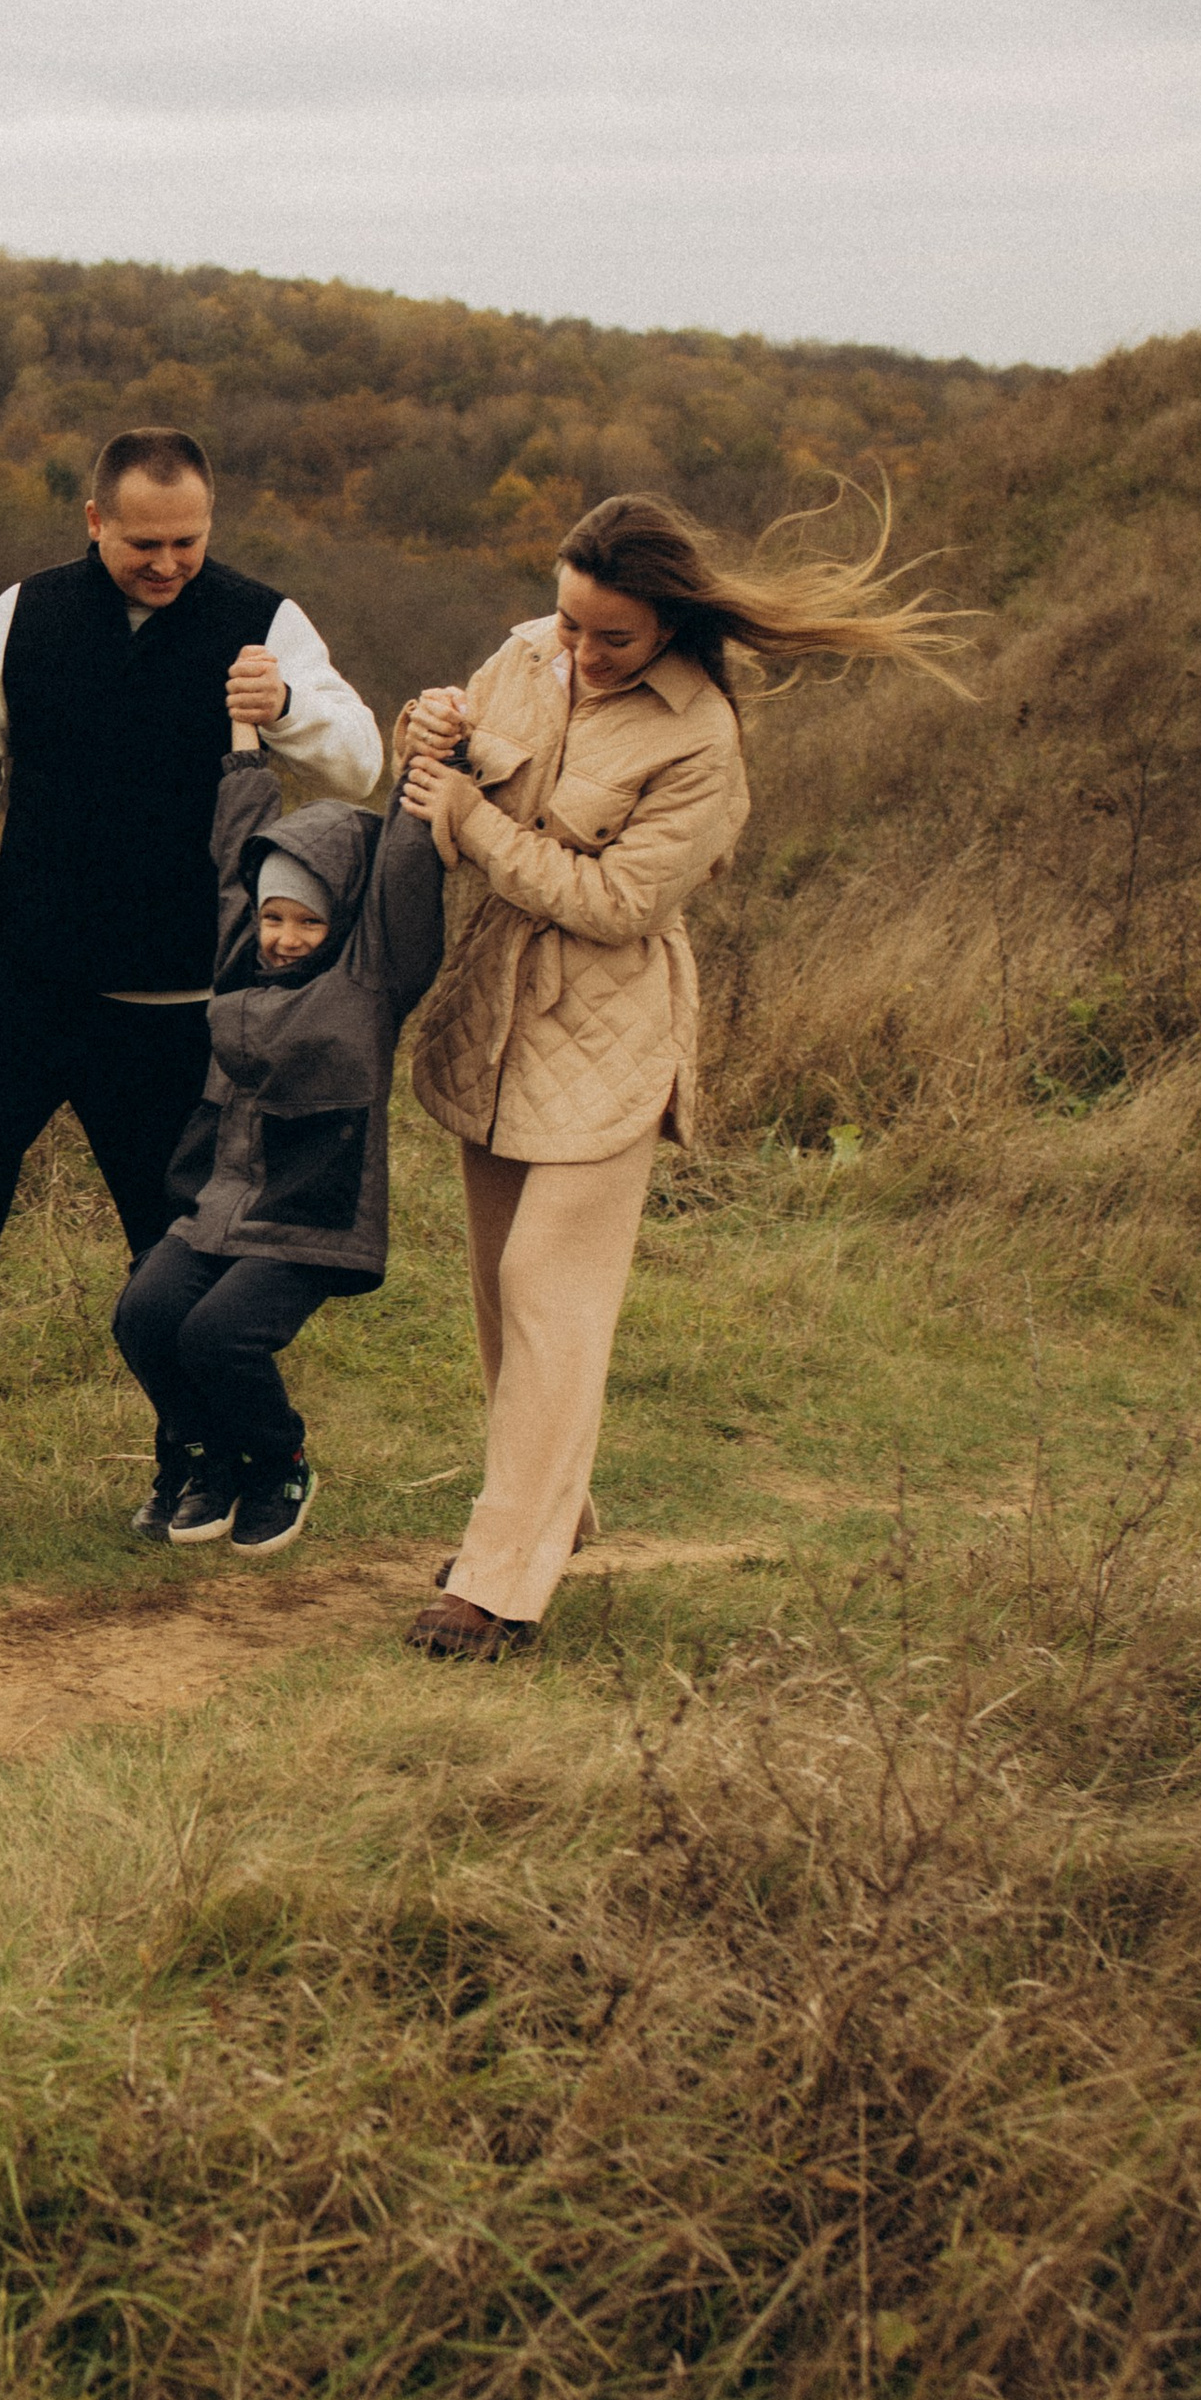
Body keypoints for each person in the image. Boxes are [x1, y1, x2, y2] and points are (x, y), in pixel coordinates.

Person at [396, 491, 967, 1659]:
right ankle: (551, 1513)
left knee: (550, 1294)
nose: (582, 651)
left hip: (609, 1036)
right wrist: (429, 740)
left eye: (613, 636)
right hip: (488, 1019)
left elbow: (617, 903)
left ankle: (499, 1584)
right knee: (500, 1295)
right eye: (571, 624)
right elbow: (440, 784)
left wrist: (471, 816)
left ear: (670, 625)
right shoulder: (521, 653)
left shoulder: (699, 737)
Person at [0, 428, 381, 1540]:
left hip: (172, 1014)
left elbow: (361, 760)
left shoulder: (265, 621)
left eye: (188, 541)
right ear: (94, 521)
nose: (167, 563)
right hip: (18, 985)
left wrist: (286, 699)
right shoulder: (21, 614)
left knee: (169, 1249)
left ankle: (196, 1465)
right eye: (144, 542)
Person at [111, 678, 451, 1553]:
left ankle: (279, 1459)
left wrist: (427, 760)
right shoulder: (242, 954)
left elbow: (405, 879)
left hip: (312, 1210)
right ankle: (207, 1457)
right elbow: (239, 850)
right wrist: (241, 738)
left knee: (221, 1336)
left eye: (309, 919)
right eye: (276, 917)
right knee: (146, 1317)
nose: (286, 936)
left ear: (343, 921)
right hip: (220, 1198)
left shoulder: (371, 979)